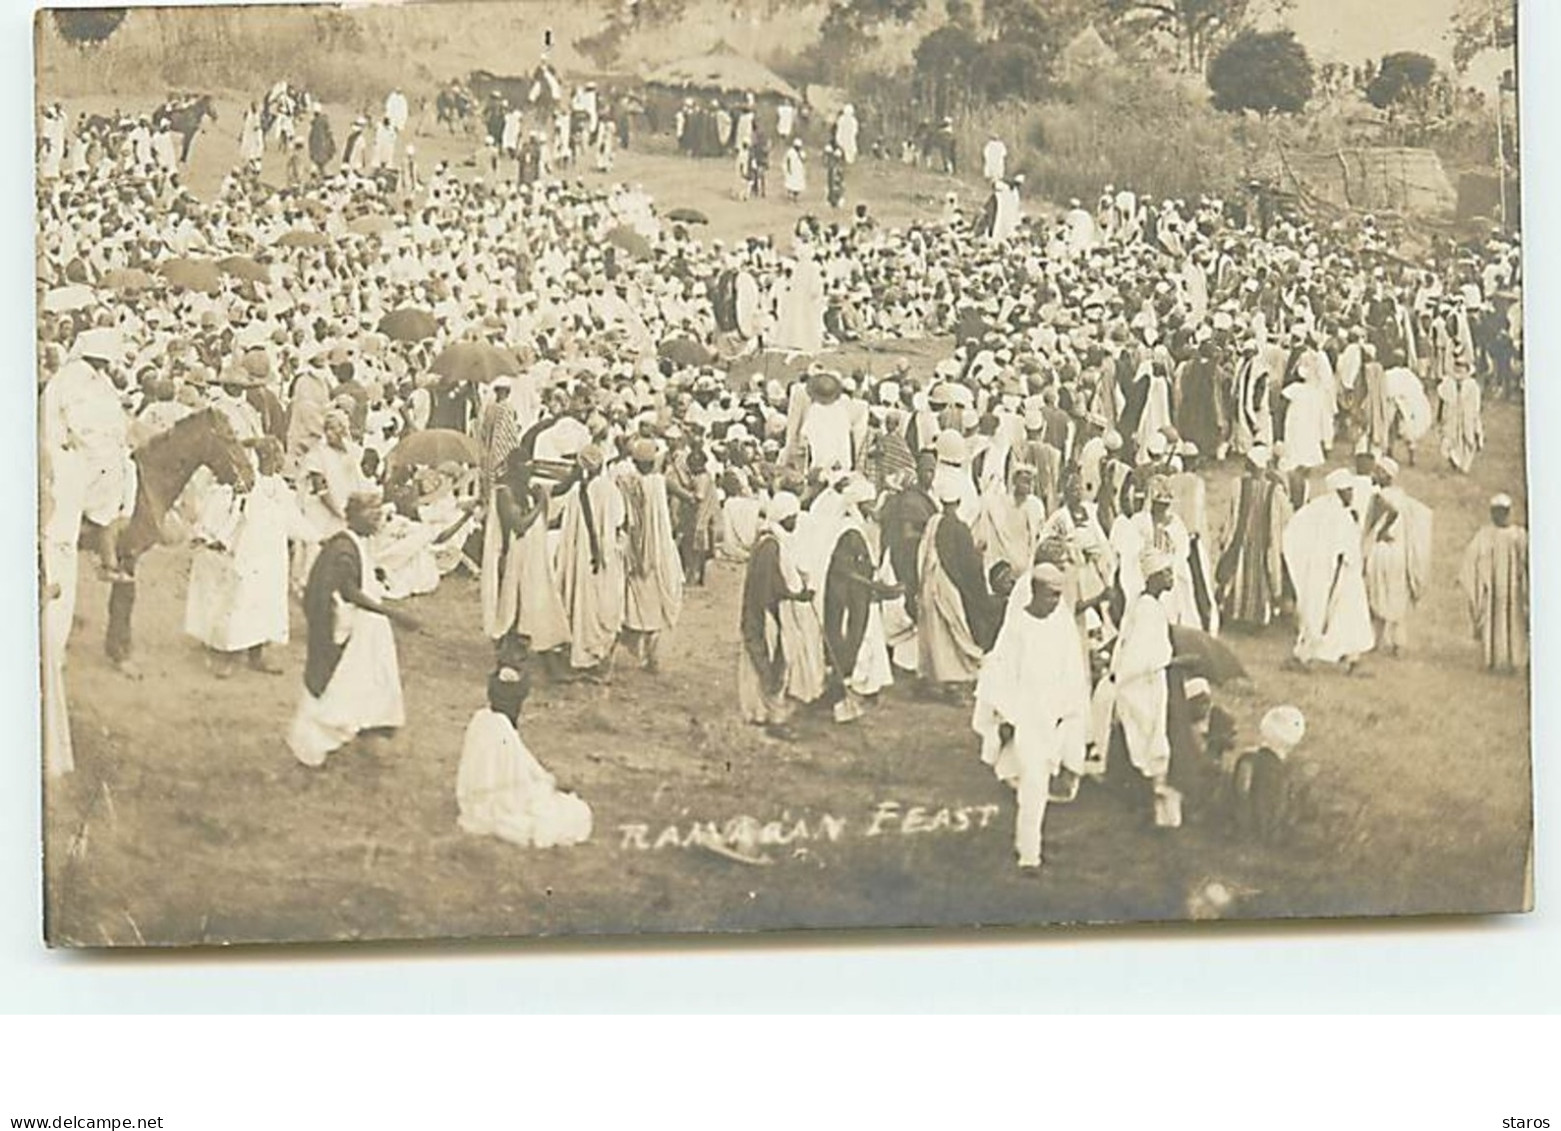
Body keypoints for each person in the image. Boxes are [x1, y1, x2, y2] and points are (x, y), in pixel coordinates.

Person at [288, 490, 420, 767]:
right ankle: (313, 744)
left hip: (366, 631)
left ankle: (370, 732)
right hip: (351, 630)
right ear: (354, 517)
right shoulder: (343, 547)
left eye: (379, 514)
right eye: (371, 515)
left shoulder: (356, 543)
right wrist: (394, 613)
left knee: (368, 683)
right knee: (337, 688)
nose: (378, 520)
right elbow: (348, 591)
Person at [973, 563, 1091, 873]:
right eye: (1051, 595)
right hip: (1025, 717)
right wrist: (1006, 717)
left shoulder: (1062, 623)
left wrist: (1068, 714)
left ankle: (1027, 839)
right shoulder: (1017, 628)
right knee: (1033, 784)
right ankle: (1030, 856)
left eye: (1059, 595)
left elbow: (1072, 672)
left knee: (1040, 783)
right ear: (1035, 592)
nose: (1056, 601)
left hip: (1055, 716)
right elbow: (999, 673)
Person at [185, 438, 312, 678]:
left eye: (279, 456)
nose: (279, 460)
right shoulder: (245, 483)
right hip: (247, 553)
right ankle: (228, 656)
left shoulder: (280, 487)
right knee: (238, 602)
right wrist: (217, 539)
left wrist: (316, 536)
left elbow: (293, 519)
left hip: (273, 556)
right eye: (275, 456)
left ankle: (257, 655)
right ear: (264, 457)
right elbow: (230, 514)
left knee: (267, 603)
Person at [456, 665, 593, 848]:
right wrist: (547, 781)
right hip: (496, 799)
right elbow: (518, 778)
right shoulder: (502, 730)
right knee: (576, 813)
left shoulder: (481, 719)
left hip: (473, 798)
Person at [1107, 548, 1182, 820]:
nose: (1172, 577)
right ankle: (1149, 800)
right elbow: (1140, 654)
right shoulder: (1147, 609)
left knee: (1147, 737)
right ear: (1154, 576)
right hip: (1143, 683)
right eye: (1167, 573)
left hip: (1147, 679)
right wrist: (1170, 661)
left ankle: (1148, 796)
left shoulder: (1145, 604)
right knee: (1148, 736)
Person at [1281, 468, 1375, 672]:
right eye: (1348, 490)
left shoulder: (1336, 512)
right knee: (1318, 616)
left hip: (1344, 576)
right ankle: (1304, 657)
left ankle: (1351, 659)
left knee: (1348, 618)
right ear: (1338, 491)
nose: (1352, 494)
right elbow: (1337, 550)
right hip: (1333, 575)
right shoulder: (1331, 514)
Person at [737, 492, 815, 735]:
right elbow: (768, 586)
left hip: (768, 609)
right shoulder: (770, 546)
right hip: (766, 612)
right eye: (792, 517)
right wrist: (796, 595)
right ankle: (773, 717)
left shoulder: (774, 542)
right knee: (770, 659)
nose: (795, 522)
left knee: (772, 658)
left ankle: (762, 711)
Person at [821, 476, 897, 723]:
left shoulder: (854, 526)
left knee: (861, 640)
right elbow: (845, 569)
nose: (873, 507)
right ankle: (843, 696)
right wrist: (873, 585)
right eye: (869, 503)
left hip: (855, 592)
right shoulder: (851, 532)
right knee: (852, 639)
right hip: (847, 595)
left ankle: (859, 690)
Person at [917, 484, 1000, 695]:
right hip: (947, 586)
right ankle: (954, 678)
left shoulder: (933, 523)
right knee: (954, 629)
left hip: (931, 582)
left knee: (937, 631)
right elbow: (967, 564)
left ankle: (935, 677)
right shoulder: (959, 527)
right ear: (959, 503)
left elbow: (923, 554)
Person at [556, 444, 626, 679]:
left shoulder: (578, 492)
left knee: (583, 604)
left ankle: (584, 655)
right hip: (606, 557)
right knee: (606, 604)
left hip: (583, 558)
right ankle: (599, 655)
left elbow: (569, 529)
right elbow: (618, 521)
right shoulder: (610, 490)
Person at [618, 437, 685, 673]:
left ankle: (641, 651)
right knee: (656, 603)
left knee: (638, 602)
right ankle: (652, 656)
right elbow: (688, 495)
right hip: (659, 550)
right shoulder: (661, 482)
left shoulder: (625, 482)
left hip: (637, 550)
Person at [1213, 446, 1293, 629]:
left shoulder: (1238, 485)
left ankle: (1236, 614)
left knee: (1237, 574)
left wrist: (1224, 536)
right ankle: (1258, 617)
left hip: (1241, 541)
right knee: (1264, 576)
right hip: (1264, 544)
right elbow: (1286, 517)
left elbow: (1230, 515)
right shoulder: (1275, 491)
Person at [1363, 457, 1432, 655]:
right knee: (1395, 597)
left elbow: (1370, 528)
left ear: (1386, 475)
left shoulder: (1379, 498)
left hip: (1382, 553)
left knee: (1376, 595)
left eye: (1378, 471)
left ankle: (1375, 640)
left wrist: (1376, 535)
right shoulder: (1404, 498)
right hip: (1399, 554)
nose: (1373, 475)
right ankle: (1397, 644)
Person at [1459, 493, 1529, 674]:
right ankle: (1495, 660)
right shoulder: (1485, 534)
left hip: (1513, 588)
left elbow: (1527, 561)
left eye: (1502, 512)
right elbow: (1471, 558)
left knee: (1515, 620)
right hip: (1492, 589)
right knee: (1493, 621)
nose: (1499, 516)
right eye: (1495, 512)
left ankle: (1515, 660)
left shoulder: (1518, 535)